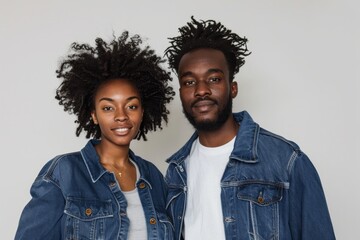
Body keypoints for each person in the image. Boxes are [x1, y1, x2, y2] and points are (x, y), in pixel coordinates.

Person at [164, 16, 335, 240]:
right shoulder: (176, 171)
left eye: (214, 79)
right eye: (189, 82)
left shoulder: (286, 160)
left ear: (232, 88)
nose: (201, 90)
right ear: (180, 93)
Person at [15, 31, 175, 240]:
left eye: (131, 106)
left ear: (142, 112)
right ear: (94, 115)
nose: (121, 116)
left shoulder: (153, 177)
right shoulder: (64, 173)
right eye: (108, 108)